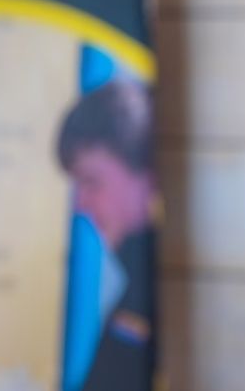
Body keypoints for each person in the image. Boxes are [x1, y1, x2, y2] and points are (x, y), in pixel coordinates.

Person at [57, 79, 156, 391]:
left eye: (91, 181)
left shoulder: (158, 290)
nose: (80, 204)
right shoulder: (138, 280)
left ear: (148, 175)